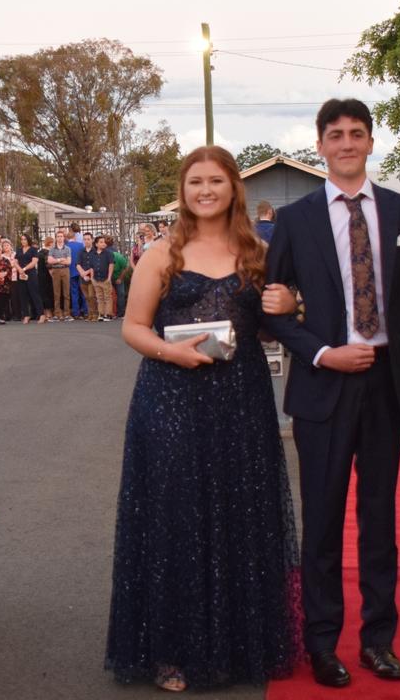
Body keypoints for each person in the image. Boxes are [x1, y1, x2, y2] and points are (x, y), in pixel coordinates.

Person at [107, 145, 301, 692]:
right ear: (183, 190)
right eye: (196, 182)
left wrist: (287, 308)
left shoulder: (256, 250)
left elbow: (265, 329)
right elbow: (133, 327)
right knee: (177, 519)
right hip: (170, 399)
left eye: (216, 180)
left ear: (233, 187)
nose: (206, 190)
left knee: (241, 513)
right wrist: (175, 353)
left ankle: (240, 645)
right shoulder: (162, 252)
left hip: (242, 401)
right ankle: (172, 651)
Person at [264, 99, 400, 687]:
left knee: (379, 518)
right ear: (320, 145)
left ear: (370, 142)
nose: (345, 143)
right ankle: (321, 643)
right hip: (323, 384)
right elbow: (274, 307)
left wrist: (384, 331)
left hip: (388, 384)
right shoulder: (296, 220)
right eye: (334, 135)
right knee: (322, 521)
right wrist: (322, 348)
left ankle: (378, 640)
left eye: (355, 134)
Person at [13, 234, 42, 324]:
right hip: (21, 275)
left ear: (28, 240)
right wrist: (20, 270)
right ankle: (26, 315)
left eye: (25, 239)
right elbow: (15, 262)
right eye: (22, 239)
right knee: (23, 295)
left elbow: (34, 262)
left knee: (34, 294)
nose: (23, 241)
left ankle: (41, 314)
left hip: (31, 274)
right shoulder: (19, 250)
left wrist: (24, 269)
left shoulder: (33, 250)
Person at [87, 235, 115, 321]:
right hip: (96, 279)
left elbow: (111, 265)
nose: (103, 244)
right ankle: (101, 314)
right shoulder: (93, 254)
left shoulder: (108, 253)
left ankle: (108, 314)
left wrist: (109, 277)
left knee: (107, 297)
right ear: (96, 244)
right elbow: (91, 267)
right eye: (101, 242)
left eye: (104, 242)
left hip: (105, 279)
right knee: (99, 297)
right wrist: (92, 278)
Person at [48, 229, 72, 321]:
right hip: (56, 271)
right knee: (56, 293)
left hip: (65, 270)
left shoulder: (67, 249)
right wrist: (60, 260)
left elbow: (69, 262)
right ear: (56, 238)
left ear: (64, 238)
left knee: (66, 293)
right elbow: (50, 261)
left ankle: (67, 314)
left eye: (61, 236)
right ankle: (57, 314)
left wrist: (56, 260)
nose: (60, 238)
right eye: (58, 236)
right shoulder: (52, 249)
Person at [67, 224, 88, 319]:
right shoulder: (80, 246)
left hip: (71, 271)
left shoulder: (66, 246)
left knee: (74, 292)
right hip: (81, 271)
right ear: (75, 236)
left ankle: (76, 312)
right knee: (83, 291)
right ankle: (86, 311)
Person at [110, 238, 130, 317]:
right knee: (109, 295)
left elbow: (126, 268)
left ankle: (121, 312)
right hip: (108, 277)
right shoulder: (104, 257)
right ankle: (111, 312)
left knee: (121, 293)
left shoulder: (119, 257)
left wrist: (120, 278)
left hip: (118, 276)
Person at [38, 236, 55, 322]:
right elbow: (49, 266)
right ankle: (49, 313)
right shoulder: (47, 253)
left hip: (40, 276)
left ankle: (45, 313)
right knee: (48, 294)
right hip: (47, 276)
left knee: (43, 294)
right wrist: (53, 276)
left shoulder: (40, 252)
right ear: (50, 243)